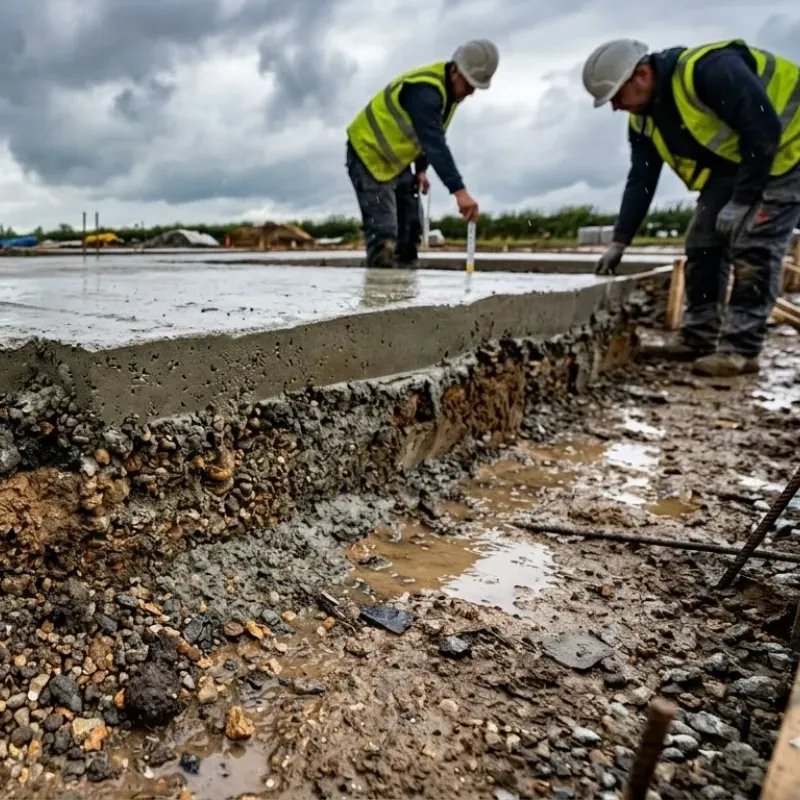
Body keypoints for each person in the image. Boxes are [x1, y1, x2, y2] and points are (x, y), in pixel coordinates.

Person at [582, 38, 800, 377]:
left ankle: (741, 351)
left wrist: (742, 201)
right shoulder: (643, 119)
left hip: (789, 146)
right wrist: (619, 241)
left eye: (616, 97)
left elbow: (763, 128)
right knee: (702, 242)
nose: (615, 108)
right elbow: (641, 180)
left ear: (641, 74)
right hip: (739, 163)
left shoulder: (708, 70)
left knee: (754, 245)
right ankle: (700, 336)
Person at [346, 39, 499, 268]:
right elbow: (434, 142)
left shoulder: (450, 95)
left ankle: (406, 288)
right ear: (455, 70)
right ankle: (379, 291)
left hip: (396, 163)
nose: (470, 93)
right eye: (468, 85)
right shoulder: (425, 91)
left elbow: (425, 137)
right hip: (367, 153)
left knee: (410, 229)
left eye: (474, 87)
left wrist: (420, 170)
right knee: (385, 232)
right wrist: (459, 192)